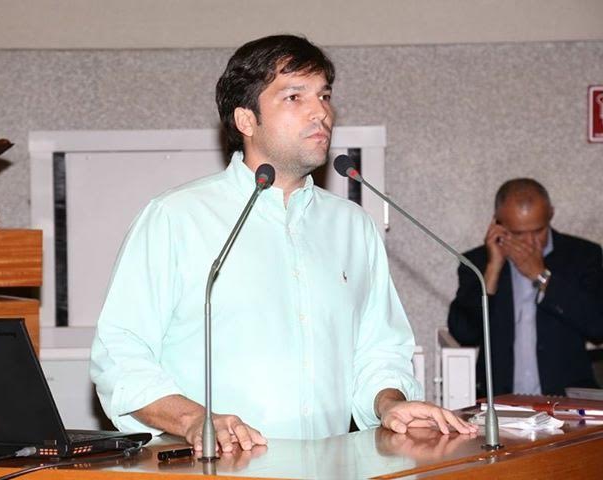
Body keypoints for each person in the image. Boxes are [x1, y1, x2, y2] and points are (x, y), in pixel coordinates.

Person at [91, 34, 476, 454]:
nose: (321, 112)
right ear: (246, 120)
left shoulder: (351, 226)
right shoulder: (176, 218)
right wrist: (194, 420)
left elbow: (379, 351)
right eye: (295, 97)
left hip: (333, 466)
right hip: (217, 469)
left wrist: (390, 404)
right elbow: (119, 354)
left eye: (324, 96)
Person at [448, 178, 603, 396]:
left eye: (538, 231)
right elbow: (464, 333)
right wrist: (493, 270)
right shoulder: (478, 262)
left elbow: (598, 327)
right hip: (498, 401)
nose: (530, 243)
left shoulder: (582, 256)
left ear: (550, 214)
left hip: (566, 400)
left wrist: (542, 276)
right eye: (518, 234)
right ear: (498, 224)